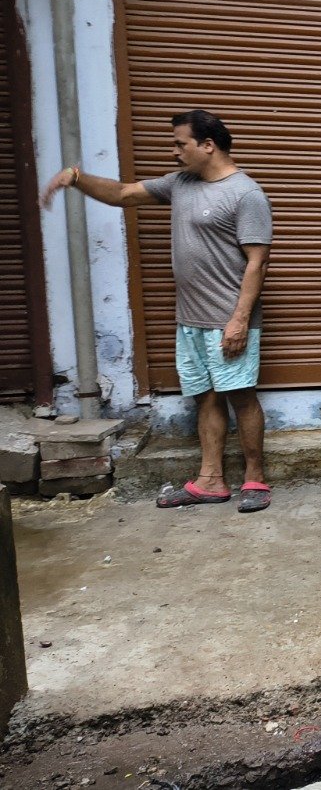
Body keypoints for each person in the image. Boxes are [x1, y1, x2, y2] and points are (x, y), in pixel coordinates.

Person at [43, 110, 275, 513]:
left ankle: (255, 477)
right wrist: (76, 178)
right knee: (204, 398)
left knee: (241, 396)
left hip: (227, 319)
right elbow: (123, 194)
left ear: (208, 145)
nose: (173, 152)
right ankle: (211, 480)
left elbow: (258, 263)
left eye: (180, 144)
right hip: (190, 319)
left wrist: (238, 320)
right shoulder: (180, 184)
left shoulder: (246, 194)